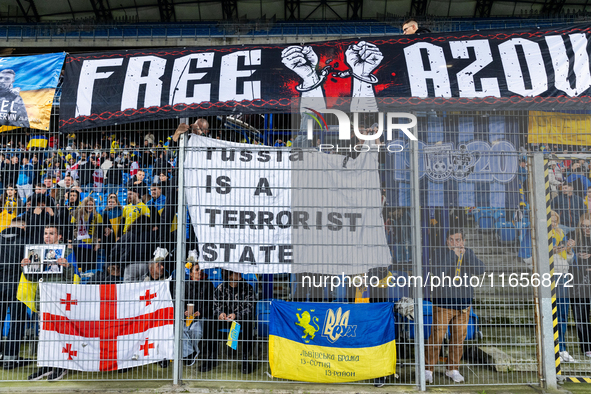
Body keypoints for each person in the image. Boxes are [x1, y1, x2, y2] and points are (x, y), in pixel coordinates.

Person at [426, 228, 485, 383]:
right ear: (447, 241)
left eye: (458, 240)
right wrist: (453, 255)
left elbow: (480, 269)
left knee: (458, 339)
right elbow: (439, 273)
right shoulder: (440, 253)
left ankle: (453, 369)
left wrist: (465, 256)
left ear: (463, 241)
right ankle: (428, 369)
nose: (455, 243)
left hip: (463, 304)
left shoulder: (468, 253)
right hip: (443, 303)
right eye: (451, 240)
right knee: (437, 337)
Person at [23, 225, 75, 381]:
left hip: (60, 301)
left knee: (60, 334)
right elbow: (32, 278)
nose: (47, 236)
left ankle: (61, 366)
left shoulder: (68, 252)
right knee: (44, 335)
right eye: (45, 233)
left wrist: (66, 266)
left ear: (59, 237)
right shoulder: (36, 252)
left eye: (51, 233)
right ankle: (46, 365)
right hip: (43, 300)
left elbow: (71, 279)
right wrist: (26, 268)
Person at [203, 269, 255, 374]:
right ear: (229, 276)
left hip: (240, 319)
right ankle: (212, 356)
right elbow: (215, 305)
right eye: (235, 272)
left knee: (249, 323)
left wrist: (237, 315)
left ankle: (245, 358)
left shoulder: (247, 288)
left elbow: (250, 307)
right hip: (225, 319)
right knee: (209, 322)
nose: (239, 273)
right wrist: (220, 314)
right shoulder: (221, 288)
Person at [0, 217, 31, 370]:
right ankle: (10, 358)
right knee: (17, 321)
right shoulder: (25, 240)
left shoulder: (0, 238)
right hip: (17, 285)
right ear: (23, 226)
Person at [549, 210, 576, 362]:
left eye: (555, 220)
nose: (554, 223)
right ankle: (551, 347)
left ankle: (562, 347)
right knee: (553, 312)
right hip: (550, 276)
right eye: (551, 220)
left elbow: (569, 259)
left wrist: (569, 249)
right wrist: (551, 252)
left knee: (563, 312)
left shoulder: (560, 233)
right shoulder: (542, 235)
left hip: (563, 275)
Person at [182, 262, 215, 366]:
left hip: (202, 317)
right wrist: (184, 311)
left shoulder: (208, 284)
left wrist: (201, 312)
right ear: (190, 273)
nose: (199, 271)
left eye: (200, 269)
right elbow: (180, 301)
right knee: (181, 330)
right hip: (187, 317)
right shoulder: (185, 284)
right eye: (196, 270)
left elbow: (211, 303)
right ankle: (191, 352)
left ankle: (191, 352)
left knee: (195, 330)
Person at [71, 196, 103, 272]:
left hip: (91, 244)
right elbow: (71, 228)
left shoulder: (97, 216)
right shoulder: (76, 214)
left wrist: (97, 243)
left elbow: (99, 231)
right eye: (88, 204)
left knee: (90, 267)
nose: (90, 207)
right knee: (79, 266)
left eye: (92, 205)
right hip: (78, 244)